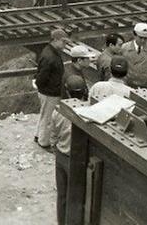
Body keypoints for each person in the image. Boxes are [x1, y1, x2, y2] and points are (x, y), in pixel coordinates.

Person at [51, 75, 87, 225]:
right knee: (77, 197)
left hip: (61, 156)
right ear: (84, 91)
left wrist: (56, 151)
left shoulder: (58, 112)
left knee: (62, 195)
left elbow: (53, 137)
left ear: (67, 91)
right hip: (78, 159)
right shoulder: (88, 112)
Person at [35, 29, 67, 149]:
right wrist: (46, 89)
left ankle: (38, 136)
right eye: (63, 42)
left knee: (44, 115)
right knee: (48, 119)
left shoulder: (50, 52)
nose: (65, 45)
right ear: (56, 40)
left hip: (47, 91)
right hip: (50, 93)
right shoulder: (50, 56)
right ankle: (44, 142)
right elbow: (41, 78)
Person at [120, 23, 147, 90]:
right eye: (140, 37)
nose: (143, 41)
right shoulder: (124, 48)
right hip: (129, 86)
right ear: (134, 35)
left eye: (145, 38)